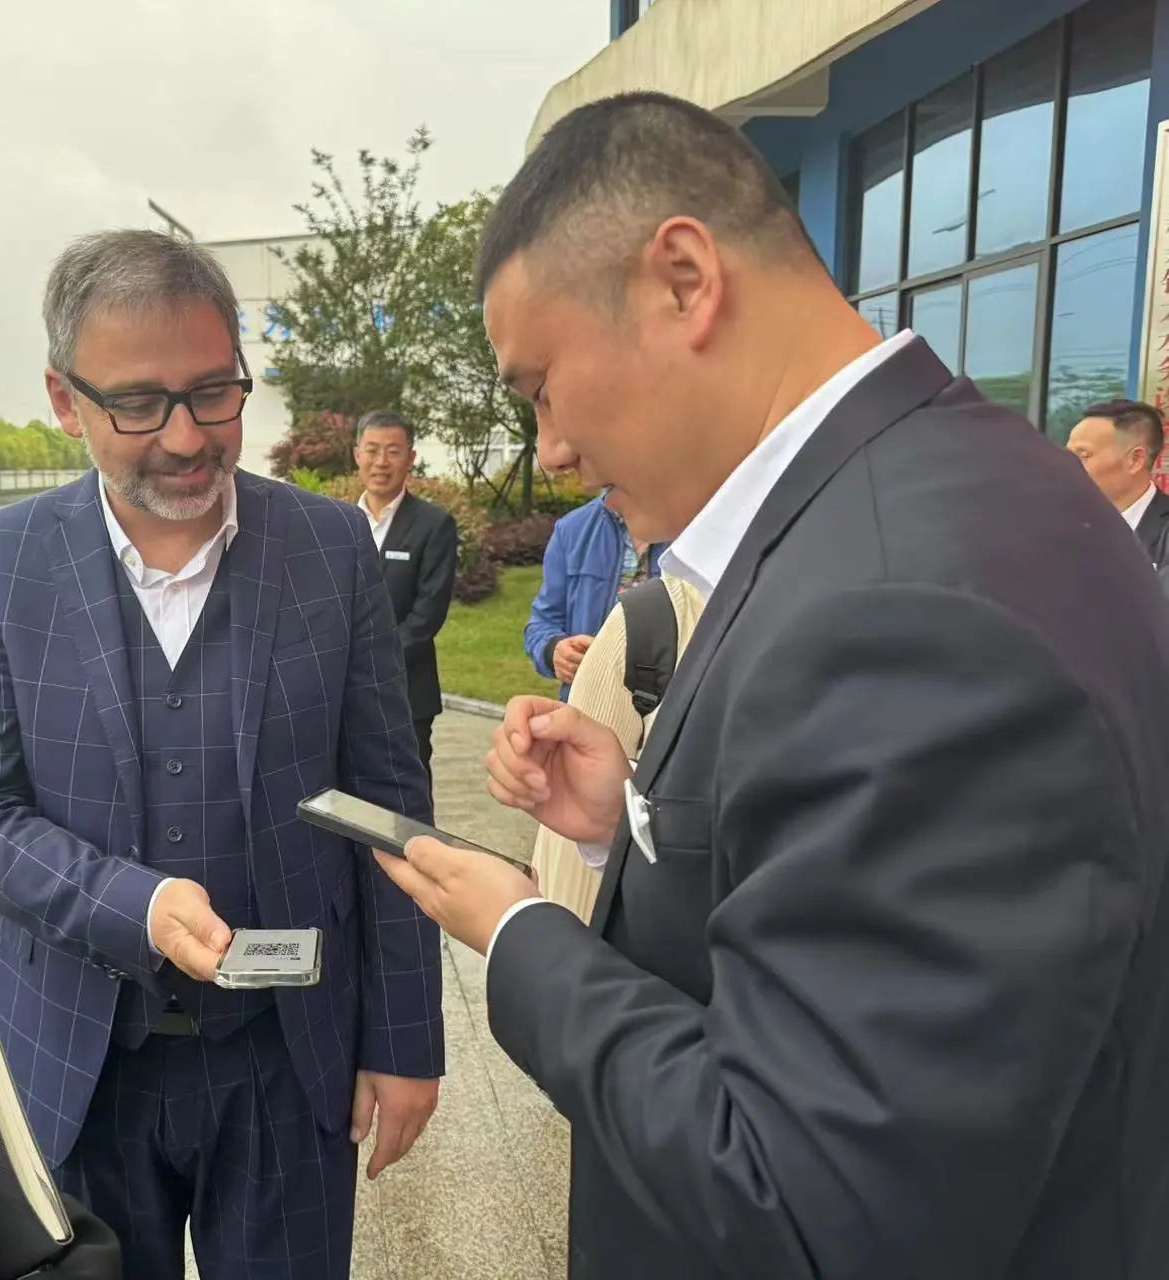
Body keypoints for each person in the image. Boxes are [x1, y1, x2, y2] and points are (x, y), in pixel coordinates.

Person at [375, 92, 1169, 1279]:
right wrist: (636, 825)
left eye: (539, 386)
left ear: (683, 280)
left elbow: (811, 1201)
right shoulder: (931, 491)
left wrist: (520, 934)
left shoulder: (900, 600)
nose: (550, 450)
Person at [0, 229, 443, 1280]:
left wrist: (404, 1036)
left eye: (213, 392)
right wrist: (137, 904)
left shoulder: (328, 547)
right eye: (137, 403)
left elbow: (387, 798)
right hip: (75, 1060)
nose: (186, 436)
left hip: (286, 1054)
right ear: (64, 400)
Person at [530, 574, 703, 923]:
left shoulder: (684, 581)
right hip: (592, 698)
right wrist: (553, 649)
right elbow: (542, 621)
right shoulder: (575, 542)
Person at [352, 409, 458, 781]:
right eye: (372, 450)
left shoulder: (434, 525)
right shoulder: (338, 522)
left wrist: (372, 662)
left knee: (405, 790)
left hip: (406, 693)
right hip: (343, 693)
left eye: (393, 451)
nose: (381, 462)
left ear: (410, 458)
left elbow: (428, 614)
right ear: (357, 455)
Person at [524, 490, 667, 695]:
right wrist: (553, 650)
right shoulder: (572, 529)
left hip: (670, 704)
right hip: (588, 702)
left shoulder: (691, 526)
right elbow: (542, 623)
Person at [1066, 399, 1169, 566]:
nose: (1067, 465)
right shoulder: (1058, 525)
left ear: (1135, 460)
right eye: (1067, 455)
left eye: (1083, 456)